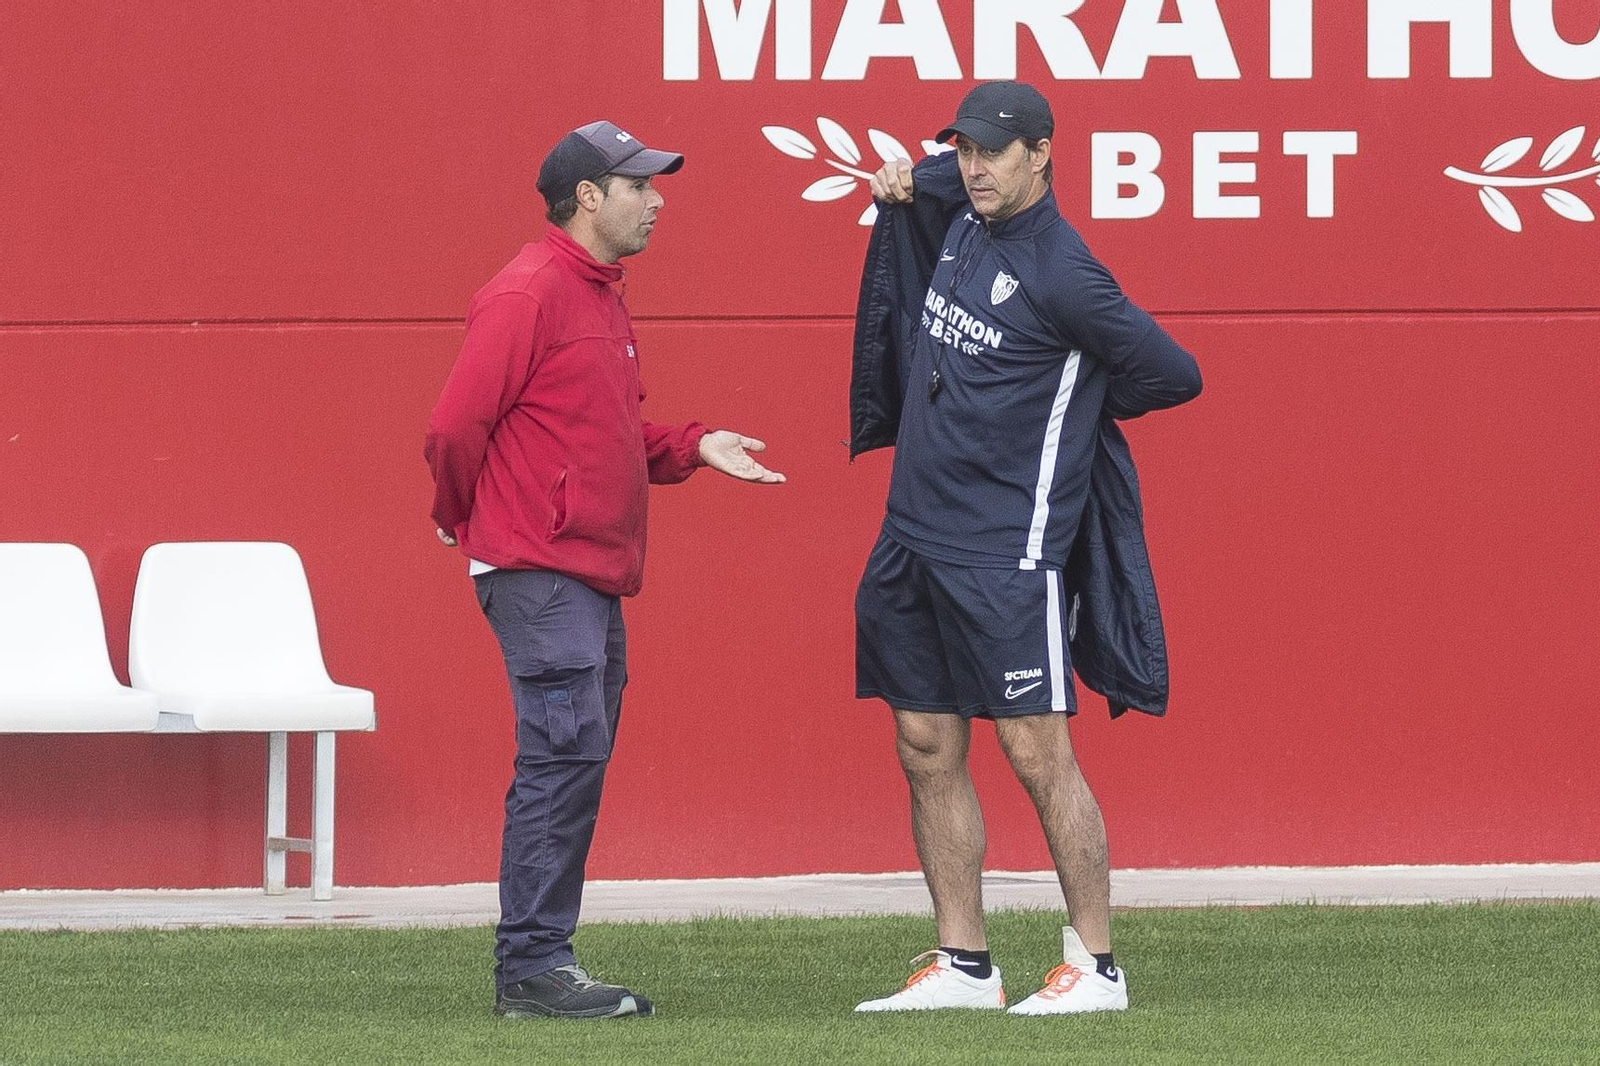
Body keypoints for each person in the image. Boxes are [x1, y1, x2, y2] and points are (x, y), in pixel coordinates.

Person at [849, 82, 1202, 1016]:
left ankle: (1096, 967)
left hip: (1005, 551)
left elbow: (1176, 373)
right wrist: (906, 178)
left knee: (1038, 754)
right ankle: (965, 966)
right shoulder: (964, 213)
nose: (973, 167)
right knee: (924, 743)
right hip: (912, 535)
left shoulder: (1064, 269)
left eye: (994, 152)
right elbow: (925, 182)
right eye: (963, 151)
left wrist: (1086, 404)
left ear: (1042, 153)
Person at [424, 120, 784, 1021]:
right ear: (588, 197)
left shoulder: (599, 298)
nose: (657, 201)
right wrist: (457, 515)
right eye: (640, 186)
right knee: (561, 754)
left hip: (584, 576)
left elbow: (608, 437)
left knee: (572, 757)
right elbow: (453, 429)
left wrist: (698, 447)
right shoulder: (528, 292)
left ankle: (541, 961)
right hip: (538, 570)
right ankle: (532, 970)